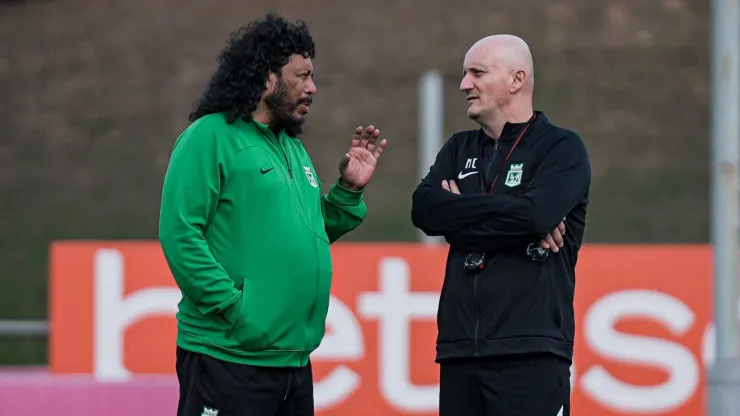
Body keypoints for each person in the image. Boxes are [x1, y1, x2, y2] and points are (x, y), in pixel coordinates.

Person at [158, 13, 387, 416]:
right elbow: (180, 234)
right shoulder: (209, 137)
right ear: (266, 78)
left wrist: (349, 190)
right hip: (229, 356)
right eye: (302, 76)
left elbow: (307, 231)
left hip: (292, 364)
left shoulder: (292, 149)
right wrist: (235, 309)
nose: (312, 88)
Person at [411, 34, 590, 416]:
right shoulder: (457, 148)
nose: (464, 85)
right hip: (461, 352)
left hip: (532, 351)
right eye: (464, 74)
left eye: (477, 73)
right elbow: (425, 212)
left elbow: (536, 216)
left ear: (517, 79)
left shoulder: (561, 148)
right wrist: (514, 212)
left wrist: (460, 215)